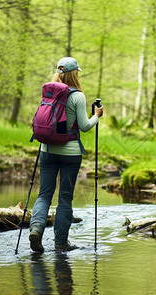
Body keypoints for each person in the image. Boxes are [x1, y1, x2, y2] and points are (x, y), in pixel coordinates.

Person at [29, 57, 103, 252]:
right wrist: (96, 115)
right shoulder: (78, 96)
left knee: (44, 194)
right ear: (74, 73)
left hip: (47, 150)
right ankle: (61, 243)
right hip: (70, 153)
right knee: (64, 197)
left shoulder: (48, 92)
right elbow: (85, 126)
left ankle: (36, 229)